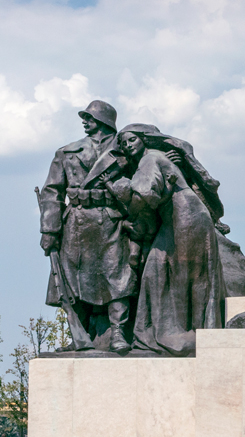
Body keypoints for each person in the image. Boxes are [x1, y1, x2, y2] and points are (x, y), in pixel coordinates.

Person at [100, 124, 226, 356]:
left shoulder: (150, 159)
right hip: (182, 215)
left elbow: (145, 194)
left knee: (181, 272)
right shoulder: (151, 160)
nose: (128, 146)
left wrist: (127, 206)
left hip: (185, 215)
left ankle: (180, 332)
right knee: (161, 269)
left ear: (144, 140)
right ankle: (183, 330)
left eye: (132, 140)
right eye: (124, 143)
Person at [37, 100, 138, 353]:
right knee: (72, 280)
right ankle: (79, 335)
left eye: (89, 117)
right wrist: (49, 230)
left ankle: (118, 334)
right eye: (85, 117)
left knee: (118, 278)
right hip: (76, 223)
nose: (85, 121)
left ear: (103, 120)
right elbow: (52, 192)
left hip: (111, 220)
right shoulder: (67, 152)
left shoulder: (125, 148)